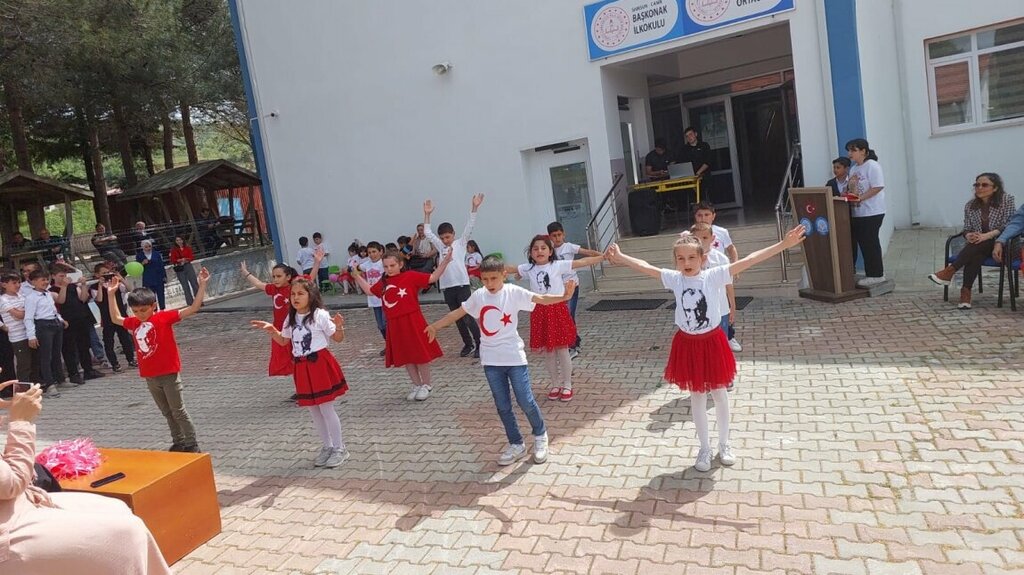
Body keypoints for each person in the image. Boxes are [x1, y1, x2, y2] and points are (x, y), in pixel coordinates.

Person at [605, 226, 806, 471]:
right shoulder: (675, 279)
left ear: (703, 258)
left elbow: (750, 260)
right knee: (697, 396)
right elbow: (646, 267)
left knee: (719, 393)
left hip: (712, 342)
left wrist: (783, 245)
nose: (686, 262)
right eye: (681, 258)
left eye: (692, 257)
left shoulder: (713, 276)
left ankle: (724, 444)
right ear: (675, 261)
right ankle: (704, 448)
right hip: (688, 344)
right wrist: (621, 257)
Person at [0, 381, 173, 575]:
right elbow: (12, 483)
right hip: (9, 532)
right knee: (129, 533)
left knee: (117, 508)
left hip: (20, 506)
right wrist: (21, 422)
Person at [426, 256, 577, 465]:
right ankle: (516, 444)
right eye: (485, 279)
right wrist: (434, 326)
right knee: (502, 406)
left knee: (525, 401)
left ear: (503, 276)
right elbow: (458, 313)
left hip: (514, 358)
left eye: (493, 278)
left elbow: (540, 299)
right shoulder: (479, 295)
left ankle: (540, 435)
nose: (489, 283)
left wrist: (563, 296)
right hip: (491, 362)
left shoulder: (513, 292)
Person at [107, 269, 210, 453]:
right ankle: (178, 441)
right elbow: (115, 318)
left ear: (153, 306)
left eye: (143, 310)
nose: (140, 314)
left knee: (178, 410)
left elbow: (193, 308)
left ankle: (191, 443)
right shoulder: (134, 323)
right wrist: (111, 294)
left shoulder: (163, 318)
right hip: (150, 376)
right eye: (135, 311)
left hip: (169, 374)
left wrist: (202, 285)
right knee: (167, 412)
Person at [251, 278, 350, 468]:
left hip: (319, 364)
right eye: (293, 294)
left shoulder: (320, 315)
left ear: (311, 296)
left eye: (300, 294)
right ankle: (327, 446)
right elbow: (284, 341)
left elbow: (338, 338)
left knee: (326, 408)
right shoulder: (291, 318)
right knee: (314, 410)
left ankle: (340, 448)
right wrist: (272, 330)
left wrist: (339, 325)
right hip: (301, 367)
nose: (295, 298)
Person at [508, 235, 604, 402]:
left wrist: (603, 257)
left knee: (562, 349)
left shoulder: (558, 265)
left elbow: (581, 262)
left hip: (557, 310)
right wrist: (487, 269)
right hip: (539, 311)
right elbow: (510, 269)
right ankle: (555, 384)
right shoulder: (528, 268)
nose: (539, 251)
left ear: (550, 251)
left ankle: (567, 384)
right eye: (535, 248)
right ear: (530, 253)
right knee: (548, 351)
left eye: (543, 248)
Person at [353, 248, 452, 401]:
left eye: (392, 265)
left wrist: (444, 262)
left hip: (413, 321)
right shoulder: (384, 282)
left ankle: (426, 385)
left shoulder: (410, 276)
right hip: (395, 323)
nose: (389, 269)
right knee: (406, 356)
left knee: (419, 354)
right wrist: (357, 276)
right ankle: (416, 384)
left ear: (400, 264)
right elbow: (370, 291)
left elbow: (433, 277)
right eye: (386, 266)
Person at [929, 173, 1015, 309]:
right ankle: (964, 291)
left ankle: (951, 273)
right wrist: (968, 235)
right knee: (976, 251)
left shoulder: (1006, 200)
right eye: (977, 185)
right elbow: (967, 228)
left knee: (978, 245)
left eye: (984, 185)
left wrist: (987, 235)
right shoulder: (970, 205)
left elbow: (1009, 224)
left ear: (995, 188)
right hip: (979, 246)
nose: (979, 188)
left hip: (1003, 244)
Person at [423, 194, 485, 358]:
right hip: (447, 287)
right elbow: (428, 232)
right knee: (456, 318)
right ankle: (468, 344)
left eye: (448, 237)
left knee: (467, 316)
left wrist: (474, 207)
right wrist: (427, 215)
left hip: (462, 285)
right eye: (442, 238)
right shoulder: (440, 245)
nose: (445, 240)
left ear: (453, 234)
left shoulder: (461, 243)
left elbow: (470, 225)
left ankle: (479, 343)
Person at [687, 223, 737, 390]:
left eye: (705, 238)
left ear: (713, 239)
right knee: (703, 347)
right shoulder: (689, 260)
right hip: (701, 314)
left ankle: (725, 376)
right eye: (696, 238)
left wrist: (732, 305)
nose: (701, 242)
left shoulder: (720, 258)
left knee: (721, 345)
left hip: (721, 309)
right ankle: (707, 377)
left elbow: (728, 283)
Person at [547, 221, 603, 359]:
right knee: (563, 316)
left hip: (572, 286)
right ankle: (574, 340)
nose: (557, 238)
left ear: (563, 234)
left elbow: (586, 252)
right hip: (558, 288)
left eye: (559, 235)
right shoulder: (549, 251)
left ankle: (572, 346)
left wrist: (603, 256)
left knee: (568, 315)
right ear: (550, 237)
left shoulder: (569, 247)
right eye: (554, 236)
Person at [693, 202, 741, 352]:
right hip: (701, 284)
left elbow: (731, 249)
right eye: (699, 215)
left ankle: (729, 337)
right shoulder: (690, 234)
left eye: (707, 215)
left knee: (723, 316)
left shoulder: (721, 233)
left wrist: (735, 265)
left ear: (713, 216)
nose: (703, 218)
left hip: (718, 272)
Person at [50, 263, 104, 385]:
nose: (64, 278)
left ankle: (88, 370)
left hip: (81, 318)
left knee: (84, 346)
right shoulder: (52, 290)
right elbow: (61, 300)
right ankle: (73, 374)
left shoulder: (73, 286)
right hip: (67, 321)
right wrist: (64, 286)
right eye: (60, 276)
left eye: (65, 275)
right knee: (69, 348)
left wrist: (83, 285)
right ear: (53, 276)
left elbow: (83, 298)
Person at [846, 138, 887, 288]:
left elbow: (878, 186)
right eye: (849, 150)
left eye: (853, 150)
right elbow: (852, 188)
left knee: (870, 242)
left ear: (863, 151)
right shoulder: (853, 169)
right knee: (864, 243)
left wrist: (861, 198)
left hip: (872, 211)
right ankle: (871, 273)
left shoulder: (872, 166)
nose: (850, 153)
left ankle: (877, 275)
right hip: (858, 212)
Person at [23, 269, 65, 398]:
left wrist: (61, 320)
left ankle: (61, 379)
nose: (46, 282)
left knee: (57, 354)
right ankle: (50, 384)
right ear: (34, 281)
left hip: (55, 323)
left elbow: (53, 310)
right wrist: (31, 336)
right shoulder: (31, 298)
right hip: (43, 326)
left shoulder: (48, 294)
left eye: (47, 279)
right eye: (42, 280)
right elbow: (28, 318)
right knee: (46, 357)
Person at [90, 263, 136, 373]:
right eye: (103, 273)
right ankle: (115, 363)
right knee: (109, 341)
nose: (106, 275)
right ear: (97, 275)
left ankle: (131, 360)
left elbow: (130, 289)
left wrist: (121, 279)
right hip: (107, 317)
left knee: (125, 339)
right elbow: (99, 299)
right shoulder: (94, 287)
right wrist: (100, 285)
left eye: (108, 272)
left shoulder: (116, 282)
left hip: (120, 315)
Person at [357, 241, 387, 355]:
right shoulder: (367, 264)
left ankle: (393, 345)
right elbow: (357, 268)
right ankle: (388, 343)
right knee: (380, 325)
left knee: (386, 323)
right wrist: (352, 270)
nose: (372, 254)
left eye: (374, 251)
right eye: (369, 252)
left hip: (384, 297)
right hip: (373, 298)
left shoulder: (383, 264)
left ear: (380, 251)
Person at [0, 272, 31, 382]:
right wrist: (24, 311)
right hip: (17, 336)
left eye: (19, 282)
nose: (17, 285)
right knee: (24, 364)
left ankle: (34, 385)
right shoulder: (3, 299)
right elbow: (19, 315)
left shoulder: (22, 296)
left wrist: (24, 311)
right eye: (14, 283)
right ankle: (22, 388)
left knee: (32, 362)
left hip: (29, 333)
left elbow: (31, 310)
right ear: (4, 285)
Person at [136, 239, 167, 310]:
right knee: (151, 296)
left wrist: (164, 276)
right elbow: (137, 268)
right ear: (143, 247)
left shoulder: (156, 254)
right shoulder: (139, 255)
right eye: (146, 247)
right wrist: (142, 263)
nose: (148, 248)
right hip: (148, 278)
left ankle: (162, 309)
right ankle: (154, 310)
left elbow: (161, 265)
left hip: (158, 277)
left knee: (161, 294)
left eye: (149, 246)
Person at [169, 236, 200, 306]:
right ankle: (190, 302)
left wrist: (186, 259)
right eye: (177, 240)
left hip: (188, 265)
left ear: (183, 240)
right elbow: (172, 260)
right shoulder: (173, 250)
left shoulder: (187, 248)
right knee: (185, 285)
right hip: (180, 267)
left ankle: (199, 300)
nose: (179, 241)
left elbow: (191, 257)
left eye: (180, 240)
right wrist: (179, 260)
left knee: (194, 283)